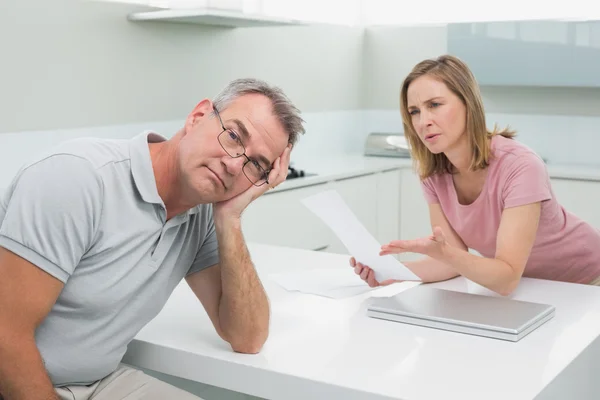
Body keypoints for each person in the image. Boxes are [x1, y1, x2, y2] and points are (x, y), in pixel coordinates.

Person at [0, 78, 305, 400]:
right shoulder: (78, 177)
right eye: (232, 136)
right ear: (198, 116)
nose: (233, 165)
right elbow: (5, 335)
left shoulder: (201, 212)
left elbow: (248, 338)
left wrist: (230, 218)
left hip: (97, 383)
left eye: (255, 164)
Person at [351, 54, 600, 296]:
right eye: (414, 111)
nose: (423, 121)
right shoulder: (433, 174)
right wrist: (390, 272)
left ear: (468, 103)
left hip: (589, 279)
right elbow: (450, 263)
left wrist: (442, 252)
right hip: (536, 286)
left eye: (434, 105)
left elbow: (505, 279)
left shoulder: (520, 165)